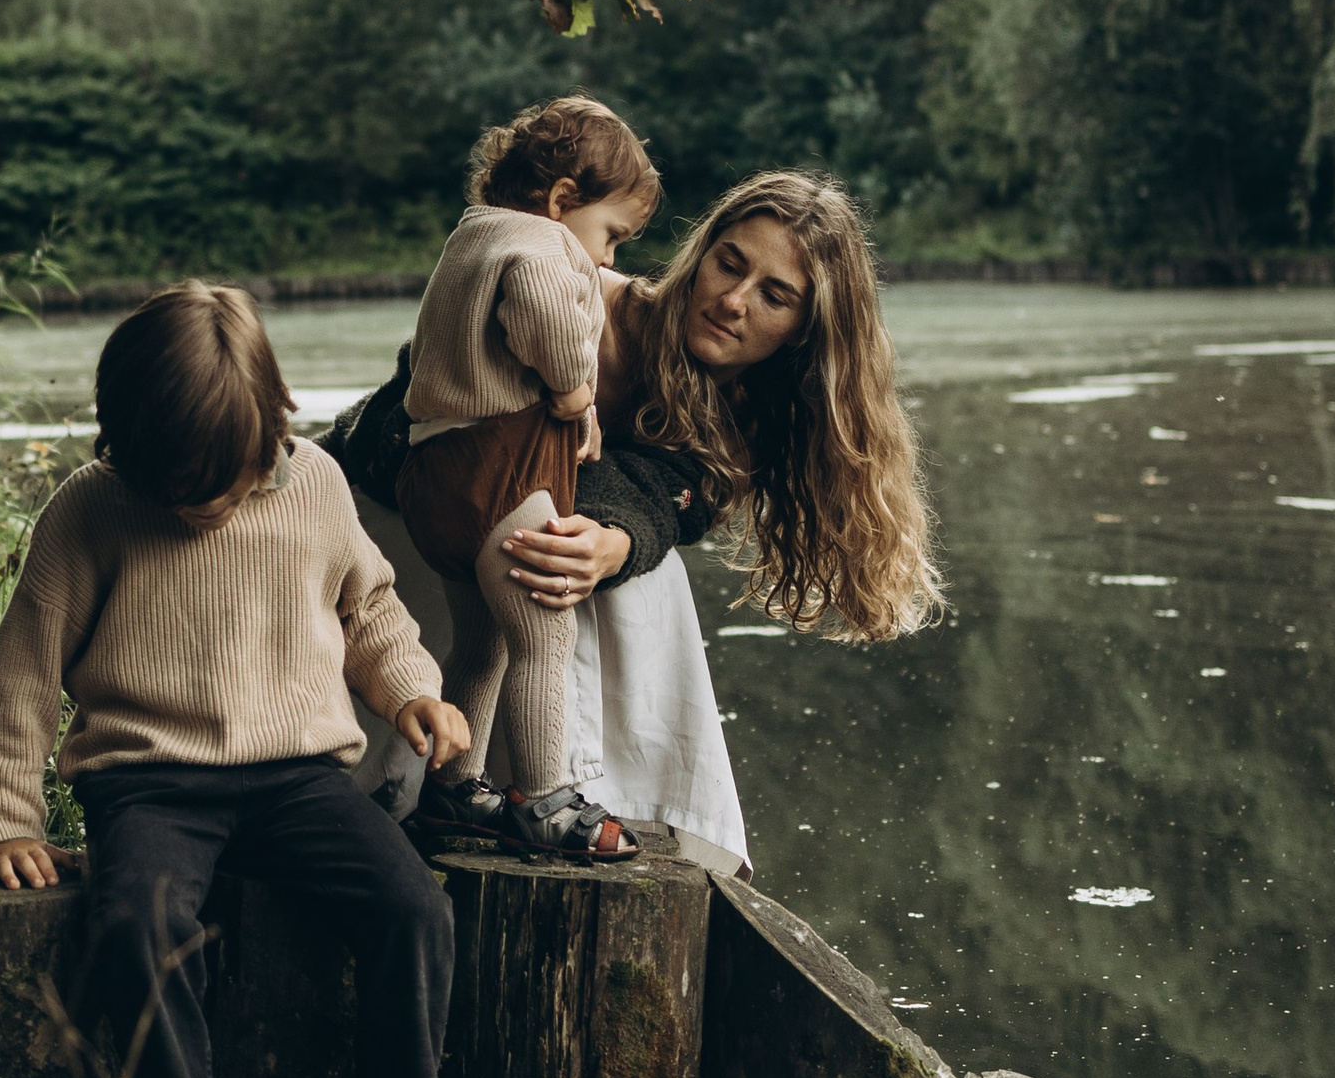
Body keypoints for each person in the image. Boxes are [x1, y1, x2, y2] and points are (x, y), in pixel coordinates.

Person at [0, 280, 495, 1078]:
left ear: (274, 429)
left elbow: (371, 609)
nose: (208, 505)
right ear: (124, 449)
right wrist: (8, 819)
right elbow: (22, 670)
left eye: (232, 479)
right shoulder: (88, 509)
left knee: (414, 910)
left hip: (299, 776)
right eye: (179, 488)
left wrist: (410, 694)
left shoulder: (316, 486)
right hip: (150, 785)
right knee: (135, 930)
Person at [331, 171, 939, 865]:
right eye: (729, 264)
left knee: (614, 568)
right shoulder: (579, 307)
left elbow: (679, 491)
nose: (734, 302)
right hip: (395, 520)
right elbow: (418, 411)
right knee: (554, 559)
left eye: (774, 296)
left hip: (507, 555)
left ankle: (614, 803)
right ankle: (499, 792)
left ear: (806, 328)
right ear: (701, 251)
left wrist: (616, 540)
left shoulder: (756, 405)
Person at [394, 97, 661, 860]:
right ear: (562, 199)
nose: (607, 259)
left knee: (483, 645)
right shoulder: (541, 245)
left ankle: (453, 789)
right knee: (545, 636)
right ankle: (546, 799)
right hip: (499, 473)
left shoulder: (468, 238)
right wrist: (576, 388)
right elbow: (543, 311)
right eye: (610, 234)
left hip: (436, 476)